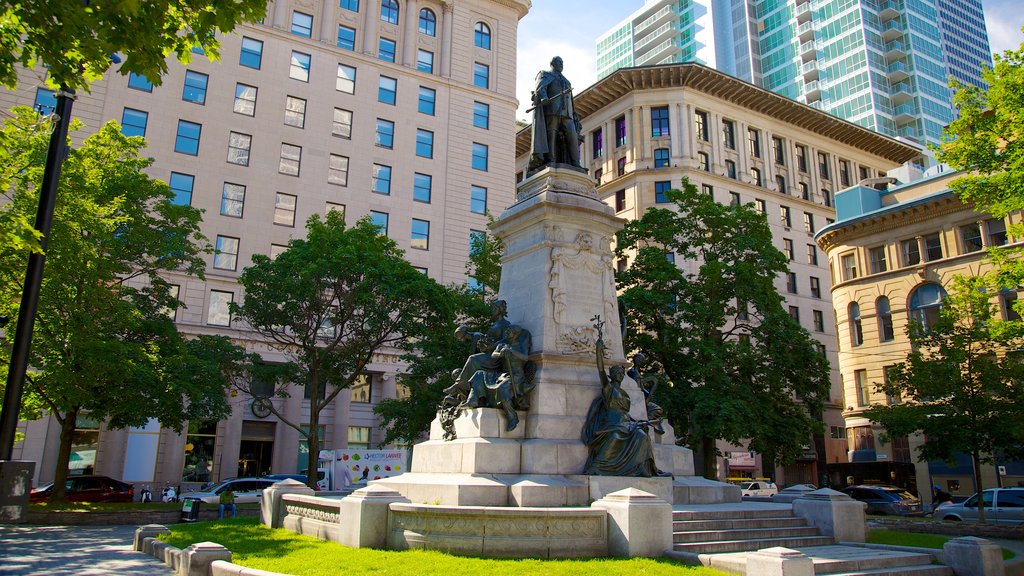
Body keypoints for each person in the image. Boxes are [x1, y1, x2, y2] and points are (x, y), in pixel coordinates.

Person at [582, 332, 664, 477]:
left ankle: (641, 468)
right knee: (615, 435)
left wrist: (638, 421)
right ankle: (598, 465)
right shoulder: (609, 389)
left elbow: (625, 412)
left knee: (641, 435)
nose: (620, 375)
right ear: (612, 375)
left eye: (621, 372)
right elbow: (601, 370)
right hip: (613, 424)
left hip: (625, 422)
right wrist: (598, 352)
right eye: (617, 373)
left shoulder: (623, 391)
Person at [529, 56, 581, 170]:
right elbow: (540, 88)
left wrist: (574, 114)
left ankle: (576, 162)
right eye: (559, 62)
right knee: (551, 135)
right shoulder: (545, 74)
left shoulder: (566, 81)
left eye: (562, 62)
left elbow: (570, 100)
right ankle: (551, 160)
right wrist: (543, 97)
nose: (561, 64)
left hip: (567, 113)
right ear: (552, 63)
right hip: (552, 110)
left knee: (572, 135)